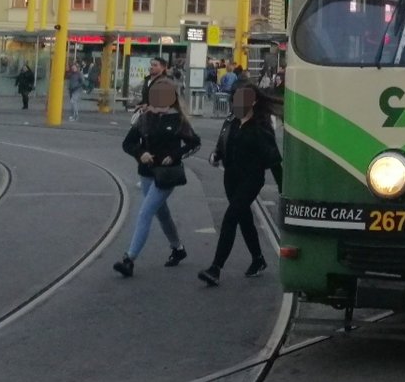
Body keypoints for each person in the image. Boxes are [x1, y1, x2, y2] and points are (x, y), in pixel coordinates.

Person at [113, 78, 201, 277]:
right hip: (146, 173)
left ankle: (129, 259)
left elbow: (194, 142)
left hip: (167, 175)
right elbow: (128, 144)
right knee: (162, 214)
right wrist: (140, 153)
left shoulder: (178, 119)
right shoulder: (145, 118)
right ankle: (178, 248)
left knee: (145, 213)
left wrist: (175, 155)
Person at [198, 83, 283, 286]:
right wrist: (215, 155)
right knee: (244, 219)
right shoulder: (231, 121)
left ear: (253, 101)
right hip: (231, 178)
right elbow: (221, 144)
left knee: (230, 218)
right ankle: (258, 259)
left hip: (251, 179)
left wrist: (283, 189)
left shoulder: (260, 127)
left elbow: (274, 161)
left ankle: (216, 268)